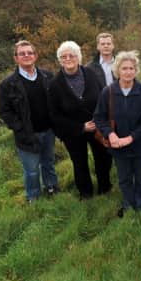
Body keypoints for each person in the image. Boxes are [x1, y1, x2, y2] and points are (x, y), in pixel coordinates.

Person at [48, 41, 112, 199]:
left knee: (103, 158)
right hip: (73, 131)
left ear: (79, 57)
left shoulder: (90, 74)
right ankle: (86, 193)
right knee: (79, 162)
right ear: (60, 60)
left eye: (72, 55)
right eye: (64, 56)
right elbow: (55, 115)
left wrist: (100, 121)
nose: (68, 58)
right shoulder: (55, 84)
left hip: (97, 126)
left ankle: (105, 187)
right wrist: (81, 127)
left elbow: (103, 97)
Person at [0, 40, 59, 203]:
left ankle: (52, 188)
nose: (26, 56)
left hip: (48, 131)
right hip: (26, 135)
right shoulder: (7, 84)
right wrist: (19, 128)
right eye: (22, 53)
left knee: (49, 163)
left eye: (29, 53)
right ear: (16, 58)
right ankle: (34, 198)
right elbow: (4, 111)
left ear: (35, 56)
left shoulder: (47, 76)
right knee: (31, 170)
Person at [94, 51, 141, 218]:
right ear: (117, 70)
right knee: (124, 178)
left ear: (136, 70)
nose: (128, 72)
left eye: (131, 68)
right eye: (124, 68)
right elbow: (99, 117)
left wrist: (131, 137)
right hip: (118, 145)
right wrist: (110, 134)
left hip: (140, 144)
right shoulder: (108, 92)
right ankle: (128, 203)